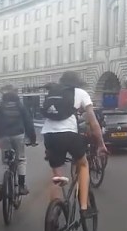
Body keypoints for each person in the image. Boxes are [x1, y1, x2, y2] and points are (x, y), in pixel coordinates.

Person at [41, 71, 107, 218]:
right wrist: (101, 143)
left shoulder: (54, 92)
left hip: (49, 135)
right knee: (83, 164)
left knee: (57, 177)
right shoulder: (80, 93)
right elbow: (93, 122)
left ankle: (53, 217)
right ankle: (84, 208)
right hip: (69, 134)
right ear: (77, 82)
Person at [0, 85, 37, 199]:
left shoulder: (0, 107)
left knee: (5, 162)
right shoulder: (20, 106)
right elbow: (28, 122)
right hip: (18, 135)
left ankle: (1, 185)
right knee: (21, 159)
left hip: (4, 136)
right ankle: (21, 186)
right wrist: (32, 138)